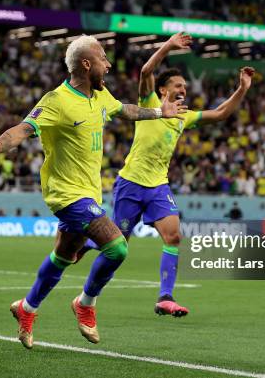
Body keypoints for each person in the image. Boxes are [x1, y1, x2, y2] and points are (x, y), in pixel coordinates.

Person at [0, 35, 186, 349]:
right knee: (117, 247)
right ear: (87, 64)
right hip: (66, 194)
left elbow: (128, 111)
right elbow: (20, 131)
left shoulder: (100, 96)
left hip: (90, 193)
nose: (108, 64)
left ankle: (26, 308)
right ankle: (86, 303)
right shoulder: (56, 100)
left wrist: (161, 113)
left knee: (63, 257)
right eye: (103, 58)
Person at [80, 32, 254, 317]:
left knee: (173, 237)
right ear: (162, 90)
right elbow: (147, 70)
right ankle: (87, 255)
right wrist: (168, 46)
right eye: (177, 85)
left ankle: (165, 297)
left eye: (185, 86)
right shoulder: (150, 103)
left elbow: (221, 113)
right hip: (131, 183)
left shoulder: (183, 116)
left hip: (158, 186)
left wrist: (242, 89)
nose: (183, 89)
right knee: (117, 245)